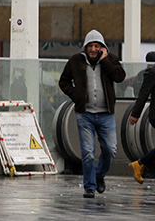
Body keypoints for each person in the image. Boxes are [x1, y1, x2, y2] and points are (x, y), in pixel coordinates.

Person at [58, 29, 126, 198]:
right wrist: (76, 96)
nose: (94, 49)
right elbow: (63, 81)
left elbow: (120, 77)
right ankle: (89, 186)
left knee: (110, 149)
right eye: (91, 46)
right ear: (85, 47)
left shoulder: (110, 59)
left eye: (97, 46)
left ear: (102, 47)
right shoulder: (75, 61)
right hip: (85, 114)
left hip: (106, 114)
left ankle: (99, 175)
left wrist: (105, 61)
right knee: (88, 152)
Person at [128, 51, 155, 184]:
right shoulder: (152, 72)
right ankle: (141, 163)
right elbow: (143, 93)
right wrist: (135, 114)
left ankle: (140, 164)